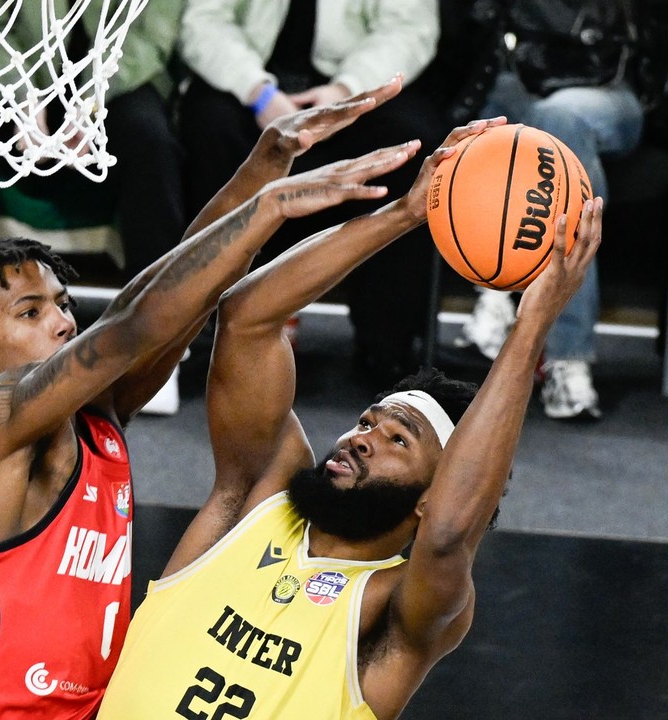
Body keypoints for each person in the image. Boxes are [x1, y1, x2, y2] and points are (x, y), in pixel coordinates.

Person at [0, 78, 421, 719]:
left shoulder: (95, 416)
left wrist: (263, 166)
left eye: (64, 305)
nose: (62, 322)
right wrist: (266, 210)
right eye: (29, 311)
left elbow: (180, 292)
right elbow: (131, 324)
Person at [97, 117, 603, 718]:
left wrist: (532, 327)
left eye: (398, 439)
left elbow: (446, 535)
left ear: (429, 495)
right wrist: (409, 214)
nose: (364, 438)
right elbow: (248, 319)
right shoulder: (255, 501)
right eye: (368, 421)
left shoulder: (394, 611)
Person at [0, 0, 189, 407]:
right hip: (2, 72)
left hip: (117, 80)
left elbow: (150, 36)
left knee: (151, 142)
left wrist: (92, 102)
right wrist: (21, 95)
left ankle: (155, 344)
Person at [177, 0, 449, 385]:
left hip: (354, 91)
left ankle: (387, 345)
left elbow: (410, 28)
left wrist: (348, 92)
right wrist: (258, 91)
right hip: (250, 89)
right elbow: (203, 21)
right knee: (208, 125)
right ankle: (205, 326)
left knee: (412, 142)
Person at [454, 0, 646, 421]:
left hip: (608, 87)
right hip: (516, 80)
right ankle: (559, 350)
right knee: (507, 118)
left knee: (557, 120)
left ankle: (506, 289)